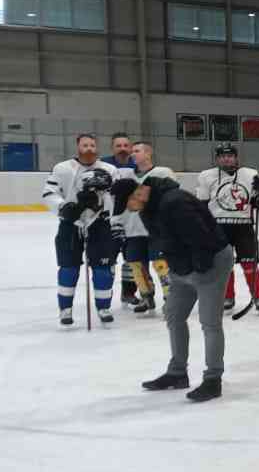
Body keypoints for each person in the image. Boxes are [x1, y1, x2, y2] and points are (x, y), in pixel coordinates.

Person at [119, 175, 234, 403]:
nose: (128, 210)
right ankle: (177, 372)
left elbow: (202, 238)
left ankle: (213, 380)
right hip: (182, 268)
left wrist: (199, 269)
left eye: (127, 204)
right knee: (173, 315)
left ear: (138, 193)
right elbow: (162, 240)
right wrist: (176, 269)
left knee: (210, 322)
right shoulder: (147, 209)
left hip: (210, 263)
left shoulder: (175, 202)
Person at [42, 132, 118, 327]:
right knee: (68, 267)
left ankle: (103, 307)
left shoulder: (109, 169)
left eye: (92, 145)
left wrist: (100, 204)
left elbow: (117, 197)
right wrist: (64, 208)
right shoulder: (62, 168)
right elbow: (49, 193)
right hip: (70, 225)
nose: (89, 149)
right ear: (78, 147)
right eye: (85, 145)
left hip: (100, 224)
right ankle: (65, 309)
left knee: (103, 268)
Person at [194, 143, 259, 313]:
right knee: (223, 265)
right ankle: (227, 297)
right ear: (217, 159)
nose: (226, 158)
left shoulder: (250, 175)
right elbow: (202, 205)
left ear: (236, 158)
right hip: (218, 228)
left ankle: (258, 296)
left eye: (230, 155)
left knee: (250, 263)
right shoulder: (206, 176)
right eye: (222, 156)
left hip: (244, 227)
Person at [117, 140, 176, 316]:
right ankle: (146, 296)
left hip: (156, 228)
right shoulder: (125, 175)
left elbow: (172, 197)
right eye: (132, 151)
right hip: (133, 229)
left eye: (137, 151)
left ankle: (170, 299)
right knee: (136, 264)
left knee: (161, 264)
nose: (132, 154)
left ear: (148, 153)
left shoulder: (163, 172)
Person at [106, 132, 139, 306]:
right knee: (107, 259)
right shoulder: (103, 165)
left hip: (132, 221)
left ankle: (128, 292)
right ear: (112, 148)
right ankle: (104, 295)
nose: (123, 149)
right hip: (107, 221)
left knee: (131, 258)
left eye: (126, 146)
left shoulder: (138, 165)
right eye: (119, 146)